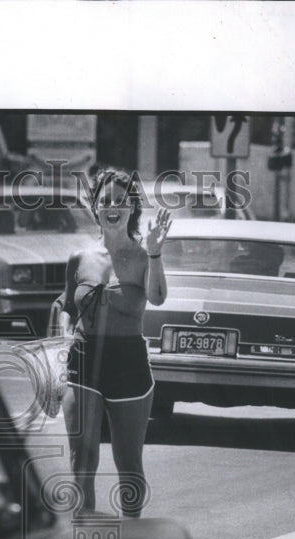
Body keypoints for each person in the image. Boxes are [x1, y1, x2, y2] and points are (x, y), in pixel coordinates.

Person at [53, 169, 170, 518]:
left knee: (128, 461)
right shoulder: (80, 258)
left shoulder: (142, 254)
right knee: (81, 459)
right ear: (96, 207)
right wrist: (62, 342)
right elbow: (67, 306)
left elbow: (159, 298)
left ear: (132, 206)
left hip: (128, 365)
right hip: (84, 360)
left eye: (121, 200)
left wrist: (155, 253)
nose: (112, 206)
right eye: (105, 201)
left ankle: (131, 538)